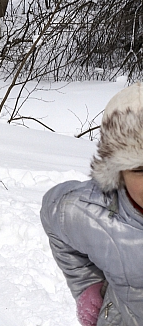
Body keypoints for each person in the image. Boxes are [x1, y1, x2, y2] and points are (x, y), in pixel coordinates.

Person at [40, 82, 143, 326]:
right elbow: (53, 213)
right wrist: (88, 286)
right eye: (140, 169)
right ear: (118, 172)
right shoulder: (93, 212)